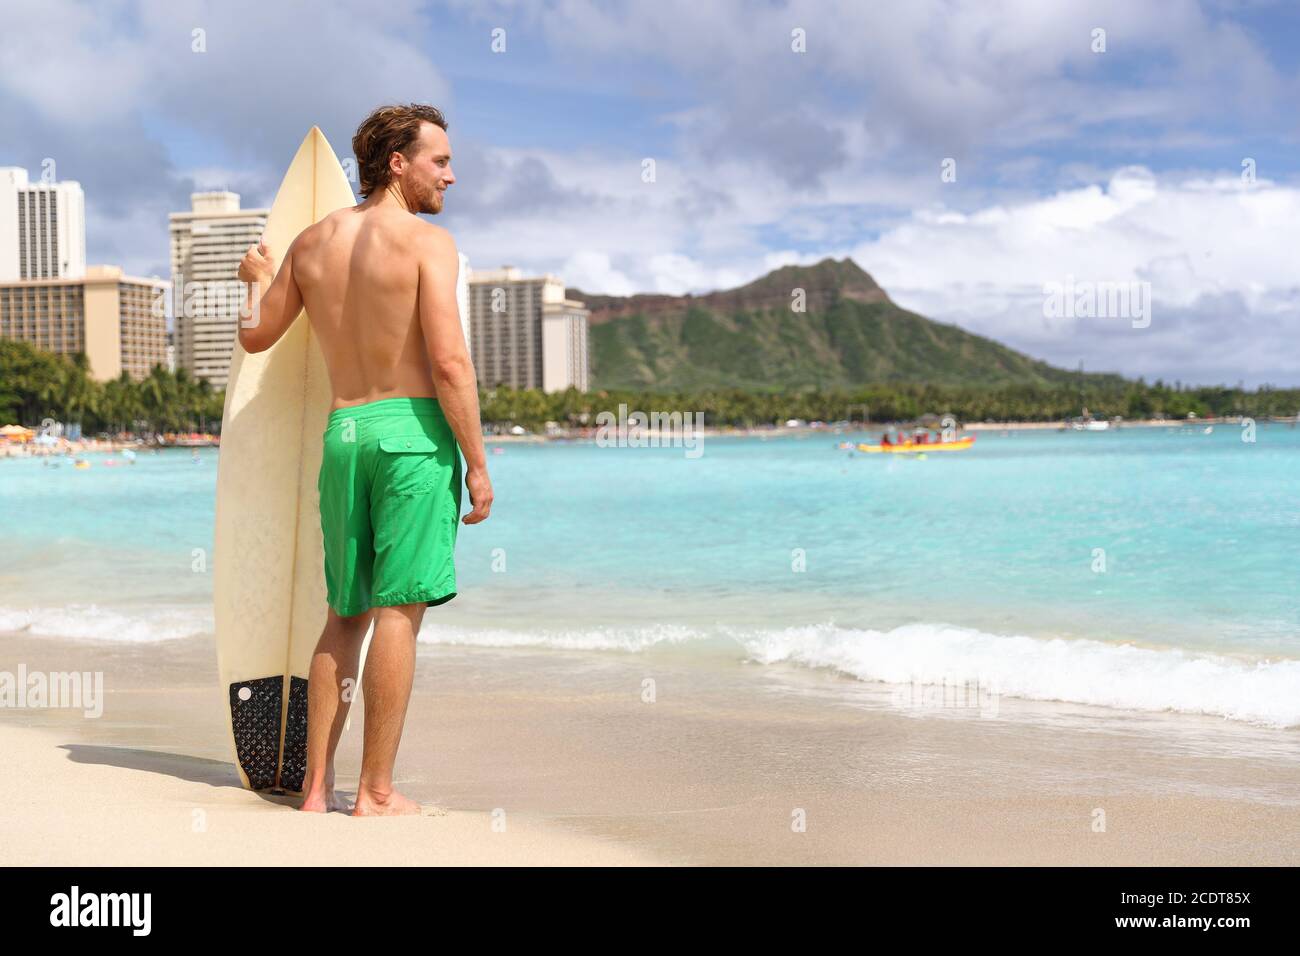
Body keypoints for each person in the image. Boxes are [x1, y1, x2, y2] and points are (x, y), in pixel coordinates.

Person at [237, 104, 493, 817]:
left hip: (343, 435)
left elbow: (256, 337)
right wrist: (476, 460)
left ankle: (316, 791)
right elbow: (448, 361)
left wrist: (254, 275)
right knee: (399, 613)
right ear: (397, 163)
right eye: (439, 160)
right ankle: (376, 792)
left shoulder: (312, 244)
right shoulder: (426, 243)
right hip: (411, 436)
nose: (452, 173)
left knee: (343, 615)